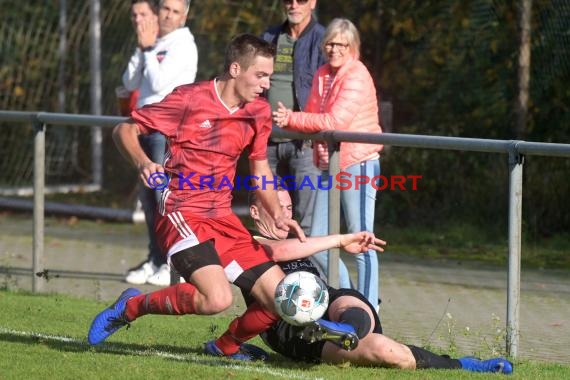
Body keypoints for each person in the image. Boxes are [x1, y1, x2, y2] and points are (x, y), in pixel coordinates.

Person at [87, 34, 305, 352]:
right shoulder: (190, 99)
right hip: (182, 210)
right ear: (235, 69)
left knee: (282, 299)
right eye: (260, 75)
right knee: (217, 298)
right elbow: (125, 128)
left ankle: (225, 347)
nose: (266, 84)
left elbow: (260, 171)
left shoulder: (258, 113)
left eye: (269, 76)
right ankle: (130, 307)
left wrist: (279, 213)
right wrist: (144, 163)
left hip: (222, 217)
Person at [206, 189, 514, 375]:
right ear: (257, 211)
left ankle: (345, 331)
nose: (286, 214)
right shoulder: (247, 241)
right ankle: (465, 364)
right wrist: (340, 239)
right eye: (277, 207)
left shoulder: (298, 239)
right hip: (291, 328)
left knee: (349, 301)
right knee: (391, 354)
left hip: (327, 302)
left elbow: (296, 248)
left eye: (288, 207)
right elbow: (281, 251)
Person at [274, 18, 383, 310]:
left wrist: (291, 119)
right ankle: (349, 297)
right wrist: (298, 121)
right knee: (317, 238)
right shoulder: (323, 73)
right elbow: (313, 116)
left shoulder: (357, 75)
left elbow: (335, 123)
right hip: (328, 165)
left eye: (341, 44)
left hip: (357, 163)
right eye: (330, 43)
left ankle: (371, 308)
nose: (334, 49)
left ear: (353, 48)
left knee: (361, 239)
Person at [261, 0, 351, 282]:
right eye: (288, 0)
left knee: (310, 226)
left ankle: (326, 291)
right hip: (268, 143)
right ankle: (274, 290)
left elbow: (334, 89)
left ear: (312, 2)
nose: (293, 4)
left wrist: (309, 125)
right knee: (269, 220)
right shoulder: (269, 37)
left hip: (306, 145)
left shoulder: (324, 40)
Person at [122, 0, 198, 287]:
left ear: (184, 16)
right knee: (148, 203)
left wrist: (148, 49)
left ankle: (171, 264)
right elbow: (130, 83)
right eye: (164, 8)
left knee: (162, 199)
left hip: (164, 133)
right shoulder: (154, 43)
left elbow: (156, 83)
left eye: (174, 11)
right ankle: (154, 259)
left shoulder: (183, 44)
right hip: (142, 128)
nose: (167, 15)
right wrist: (142, 48)